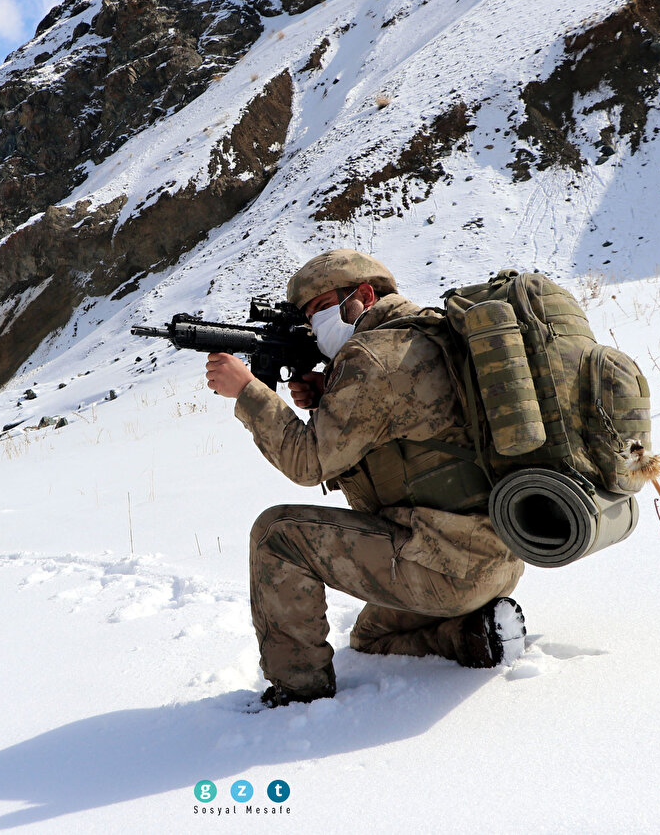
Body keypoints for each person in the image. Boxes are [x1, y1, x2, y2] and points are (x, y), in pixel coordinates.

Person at [205, 250, 526, 708]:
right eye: (308, 316)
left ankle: (298, 693)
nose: (315, 325)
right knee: (370, 636)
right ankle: (472, 635)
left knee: (277, 535)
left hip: (441, 563)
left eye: (321, 309)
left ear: (366, 295)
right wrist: (328, 400)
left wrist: (248, 392)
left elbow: (307, 464)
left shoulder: (372, 357)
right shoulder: (426, 333)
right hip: (497, 558)